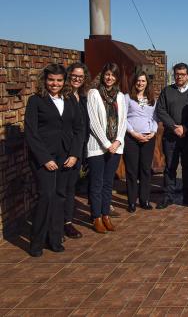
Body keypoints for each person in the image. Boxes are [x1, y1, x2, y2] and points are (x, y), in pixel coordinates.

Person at [25, 64, 84, 256]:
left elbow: (79, 129)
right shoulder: (36, 101)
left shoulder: (70, 100)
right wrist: (44, 159)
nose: (55, 84)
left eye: (59, 80)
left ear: (64, 81)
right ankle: (37, 242)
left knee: (60, 197)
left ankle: (55, 238)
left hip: (66, 156)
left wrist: (74, 153)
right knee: (46, 196)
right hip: (44, 158)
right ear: (45, 80)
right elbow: (31, 133)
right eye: (51, 80)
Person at [86, 62, 127, 234]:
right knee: (96, 183)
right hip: (97, 147)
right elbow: (93, 122)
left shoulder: (120, 96)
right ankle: (96, 217)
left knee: (108, 183)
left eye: (113, 75)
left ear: (117, 78)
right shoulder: (93, 94)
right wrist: (106, 144)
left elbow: (123, 121)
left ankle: (105, 215)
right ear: (103, 75)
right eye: (107, 74)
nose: (110, 78)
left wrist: (117, 141)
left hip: (115, 147)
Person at [156, 63, 188, 209]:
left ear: (187, 76)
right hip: (170, 137)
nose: (179, 77)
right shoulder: (167, 91)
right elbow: (160, 110)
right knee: (170, 167)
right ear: (174, 75)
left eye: (182, 74)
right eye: (177, 74)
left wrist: (185, 127)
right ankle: (168, 197)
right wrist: (174, 127)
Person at [62, 62, 91, 240]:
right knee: (62, 189)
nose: (77, 79)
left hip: (79, 149)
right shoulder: (64, 97)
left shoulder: (82, 97)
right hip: (66, 150)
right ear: (68, 76)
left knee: (70, 187)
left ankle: (66, 220)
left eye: (81, 77)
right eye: (74, 76)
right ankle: (62, 224)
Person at [123, 71, 158, 213]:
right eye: (138, 80)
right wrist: (133, 133)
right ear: (134, 82)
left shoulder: (152, 99)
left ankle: (144, 200)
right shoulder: (127, 98)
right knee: (131, 171)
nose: (140, 83)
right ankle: (131, 201)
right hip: (131, 137)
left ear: (147, 83)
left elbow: (155, 117)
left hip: (148, 138)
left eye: (143, 81)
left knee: (145, 170)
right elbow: (123, 118)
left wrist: (153, 132)